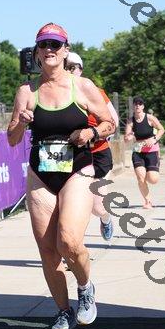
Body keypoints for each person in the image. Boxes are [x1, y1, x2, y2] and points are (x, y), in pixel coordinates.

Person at [7, 23, 115, 329]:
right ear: (36, 53)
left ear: (65, 50)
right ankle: (63, 311)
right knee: (48, 251)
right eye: (44, 45)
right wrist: (21, 123)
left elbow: (109, 123)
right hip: (41, 174)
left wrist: (91, 132)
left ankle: (85, 285)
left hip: (77, 170)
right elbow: (12, 139)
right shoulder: (27, 92)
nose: (49, 50)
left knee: (68, 241)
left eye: (55, 44)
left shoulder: (82, 86)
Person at [66, 52, 119, 241]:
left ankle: (106, 218)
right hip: (71, 155)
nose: (69, 71)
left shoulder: (96, 92)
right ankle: (70, 243)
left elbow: (114, 122)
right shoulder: (58, 95)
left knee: (98, 207)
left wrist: (94, 133)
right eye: (66, 67)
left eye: (73, 67)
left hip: (98, 154)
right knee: (72, 203)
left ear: (81, 70)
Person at [124, 96, 165, 209]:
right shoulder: (130, 121)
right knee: (140, 178)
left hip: (152, 151)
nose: (137, 105)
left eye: (140, 104)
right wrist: (129, 137)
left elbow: (162, 129)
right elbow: (126, 138)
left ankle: (151, 171)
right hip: (138, 152)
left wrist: (154, 139)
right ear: (133, 106)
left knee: (153, 179)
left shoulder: (150, 118)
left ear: (143, 106)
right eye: (135, 104)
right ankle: (147, 202)